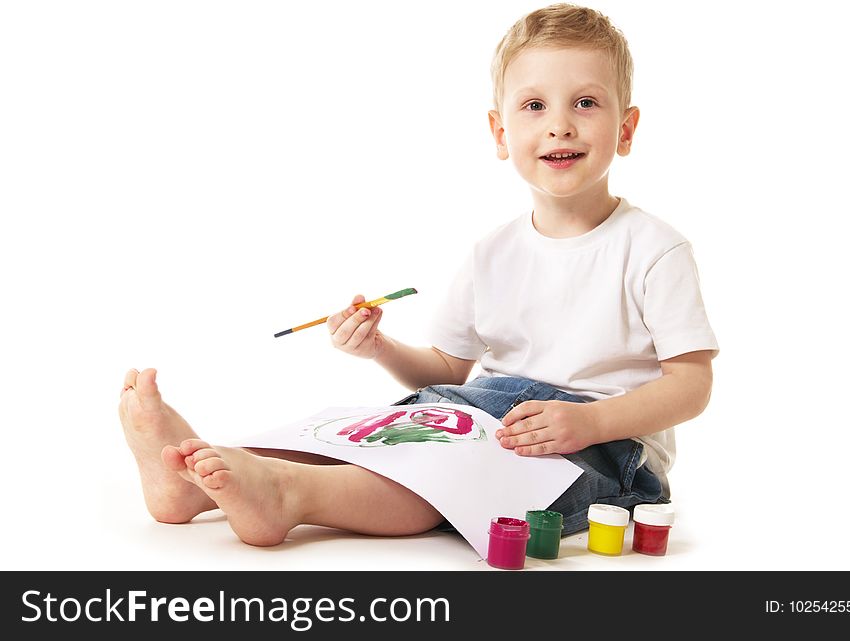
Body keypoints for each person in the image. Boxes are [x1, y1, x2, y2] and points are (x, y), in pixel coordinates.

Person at [118, 3, 718, 547]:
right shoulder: (492, 253)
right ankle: (197, 473)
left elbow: (691, 387)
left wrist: (590, 421)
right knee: (382, 429)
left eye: (585, 102)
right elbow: (446, 371)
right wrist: (380, 346)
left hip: (608, 449)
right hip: (489, 409)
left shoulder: (654, 248)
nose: (560, 124)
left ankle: (288, 493)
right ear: (501, 133)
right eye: (535, 105)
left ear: (627, 128)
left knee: (453, 473)